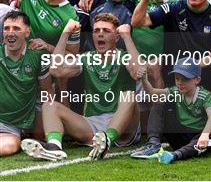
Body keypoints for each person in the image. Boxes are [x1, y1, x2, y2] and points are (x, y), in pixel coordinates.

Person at [21, 15, 142, 161]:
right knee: (49, 105)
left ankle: (107, 140)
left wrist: (127, 37)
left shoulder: (124, 56)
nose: (100, 34)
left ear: (117, 37)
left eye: (106, 31)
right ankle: (54, 147)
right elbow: (55, 70)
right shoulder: (87, 58)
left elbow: (138, 72)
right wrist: (65, 33)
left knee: (128, 95)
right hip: (92, 126)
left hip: (124, 125)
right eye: (96, 30)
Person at [131, 0, 211, 110]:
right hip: (175, 72)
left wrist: (192, 65)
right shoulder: (173, 8)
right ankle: (165, 117)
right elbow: (137, 22)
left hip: (203, 72)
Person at [138, 57, 211, 164]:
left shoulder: (205, 96)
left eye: (185, 79)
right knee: (158, 104)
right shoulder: (175, 91)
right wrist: (144, 79)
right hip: (179, 134)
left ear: (197, 80)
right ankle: (154, 143)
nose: (180, 83)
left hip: (197, 136)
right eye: (177, 79)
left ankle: (175, 155)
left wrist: (205, 134)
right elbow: (152, 92)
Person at [0, 11, 53, 157]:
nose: (10, 33)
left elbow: (47, 93)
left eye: (16, 28)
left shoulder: (38, 56)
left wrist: (46, 128)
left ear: (27, 32)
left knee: (9, 147)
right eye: (6, 28)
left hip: (11, 126)